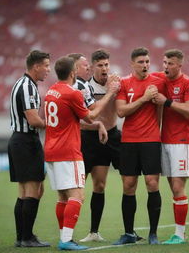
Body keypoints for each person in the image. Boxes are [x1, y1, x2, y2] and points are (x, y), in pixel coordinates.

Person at [44, 56, 108, 250]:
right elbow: (91, 116)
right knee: (78, 195)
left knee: (63, 197)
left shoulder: (51, 91)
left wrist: (95, 123)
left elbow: (68, 120)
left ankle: (64, 237)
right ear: (73, 73)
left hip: (51, 150)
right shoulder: (72, 93)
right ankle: (66, 240)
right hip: (68, 151)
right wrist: (109, 94)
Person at [113, 47, 165, 245]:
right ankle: (129, 233)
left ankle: (153, 234)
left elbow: (160, 108)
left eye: (147, 62)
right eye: (141, 62)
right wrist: (144, 98)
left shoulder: (158, 82)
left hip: (151, 140)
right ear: (132, 64)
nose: (145, 65)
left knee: (152, 183)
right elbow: (121, 112)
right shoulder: (125, 83)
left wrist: (156, 130)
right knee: (129, 185)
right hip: (129, 141)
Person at [152, 49, 189, 244]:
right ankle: (180, 232)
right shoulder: (161, 79)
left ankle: (179, 234)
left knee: (178, 187)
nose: (166, 67)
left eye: (170, 63)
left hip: (182, 141)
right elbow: (142, 75)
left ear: (180, 65)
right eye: (164, 63)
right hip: (165, 141)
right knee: (173, 188)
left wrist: (167, 102)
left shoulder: (188, 83)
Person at [8, 50, 51, 247]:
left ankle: (21, 237)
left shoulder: (21, 83)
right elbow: (33, 120)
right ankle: (27, 238)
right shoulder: (28, 87)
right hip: (26, 141)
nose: (48, 70)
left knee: (25, 191)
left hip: (19, 141)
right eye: (46, 65)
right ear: (36, 66)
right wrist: (54, 123)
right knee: (33, 190)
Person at [78, 49, 122, 242]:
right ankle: (67, 232)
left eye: (106, 65)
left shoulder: (116, 84)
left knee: (100, 185)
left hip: (109, 137)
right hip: (87, 138)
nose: (104, 68)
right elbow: (91, 113)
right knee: (78, 187)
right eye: (100, 65)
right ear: (92, 67)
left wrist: (115, 89)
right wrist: (111, 92)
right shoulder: (85, 87)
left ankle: (94, 232)